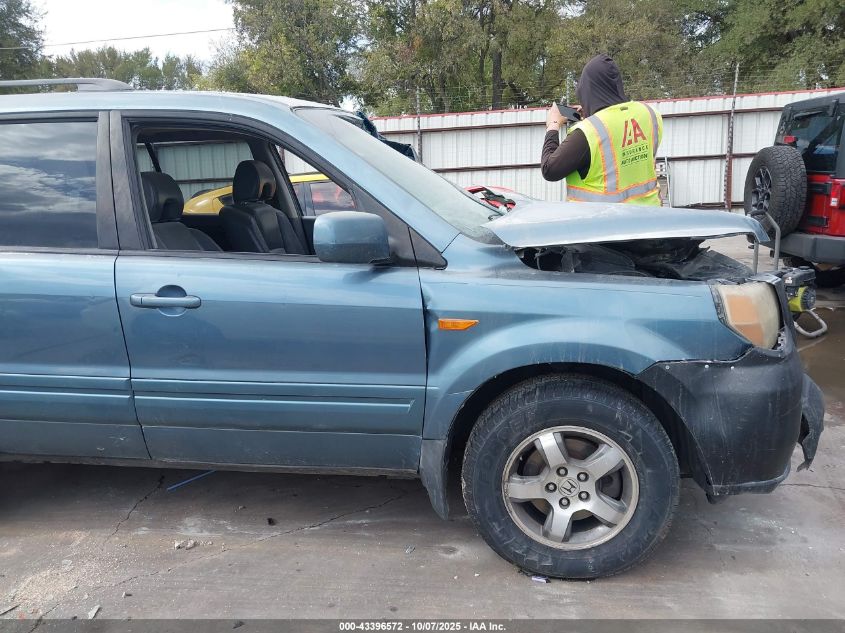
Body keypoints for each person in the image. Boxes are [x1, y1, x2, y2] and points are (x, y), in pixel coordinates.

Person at [541, 54, 663, 206]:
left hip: (603, 223)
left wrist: (553, 124)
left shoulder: (588, 132)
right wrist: (593, 115)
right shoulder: (650, 114)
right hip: (650, 217)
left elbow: (549, 169)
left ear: (587, 91)